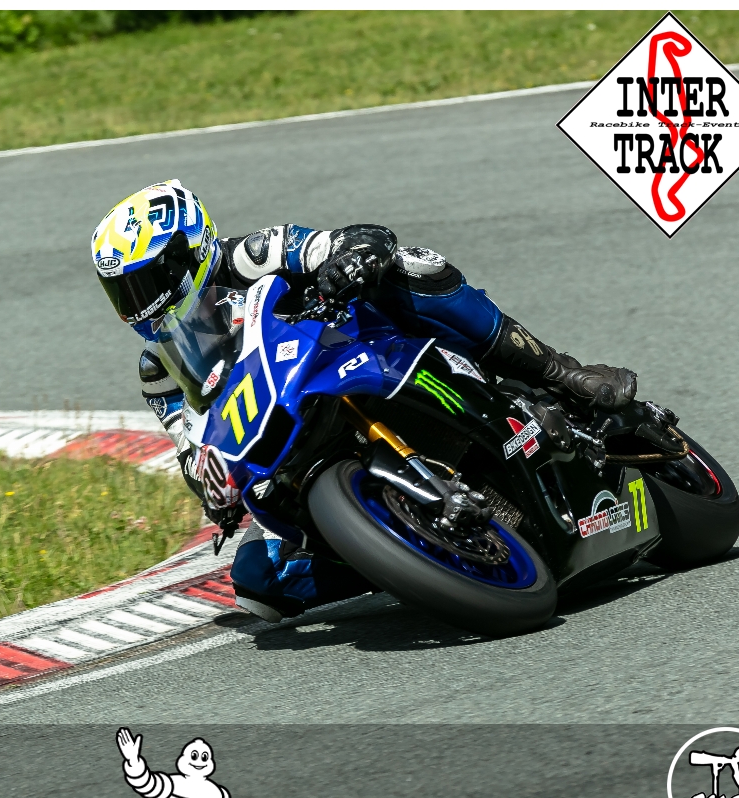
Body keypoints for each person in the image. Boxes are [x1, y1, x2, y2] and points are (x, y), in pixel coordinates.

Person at [92, 179, 637, 623]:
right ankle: (406, 550)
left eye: (149, 280)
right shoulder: (158, 370)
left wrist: (349, 261)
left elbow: (357, 238)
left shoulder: (253, 254)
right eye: (124, 291)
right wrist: (211, 487)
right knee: (257, 583)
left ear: (191, 250)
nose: (140, 302)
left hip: (359, 356)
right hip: (282, 441)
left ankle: (559, 371)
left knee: (414, 267)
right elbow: (191, 449)